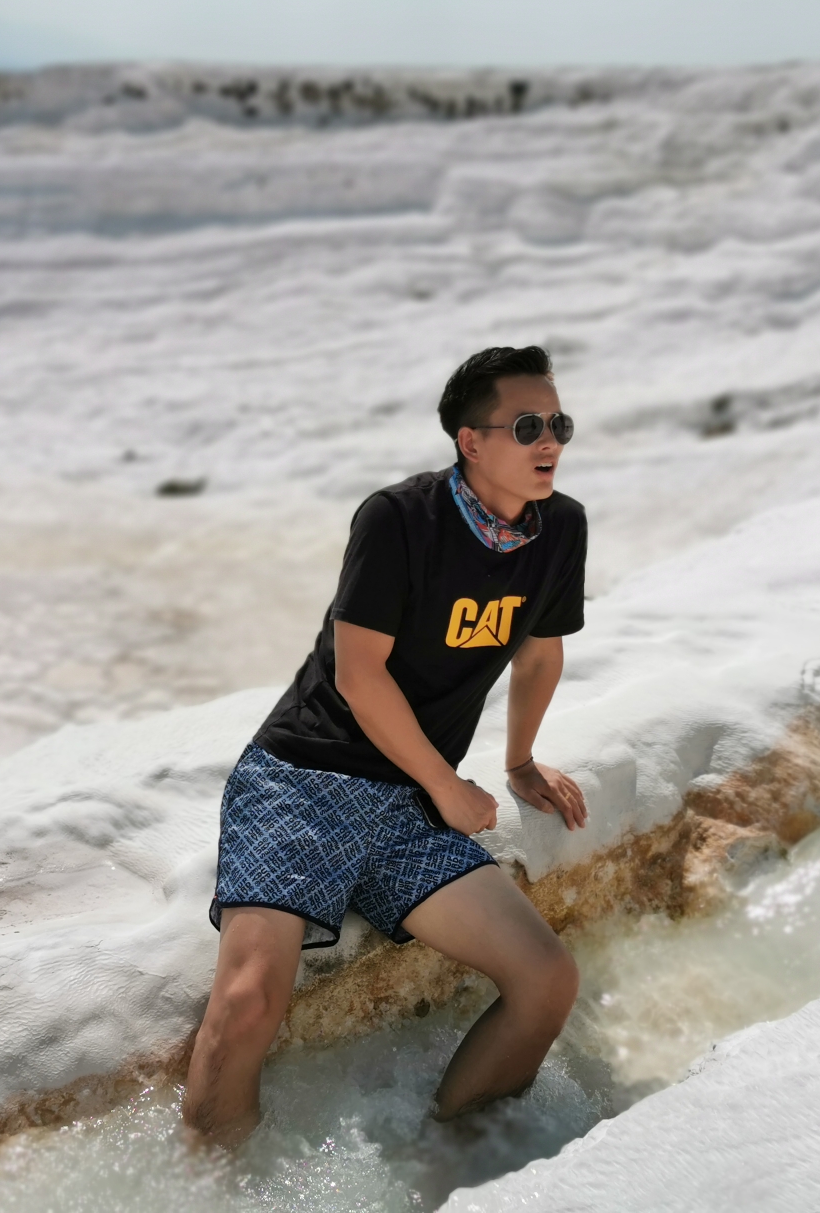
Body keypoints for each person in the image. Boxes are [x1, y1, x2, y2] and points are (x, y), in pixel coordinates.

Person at [182, 344, 590, 1144]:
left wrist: (516, 762)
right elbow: (361, 675)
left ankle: (457, 1160)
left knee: (546, 980)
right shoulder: (400, 520)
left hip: (405, 808)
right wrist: (446, 785)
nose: (551, 443)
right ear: (471, 442)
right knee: (246, 1001)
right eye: (529, 425)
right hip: (303, 780)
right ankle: (208, 1184)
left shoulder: (560, 528)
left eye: (560, 424)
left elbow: (541, 651)